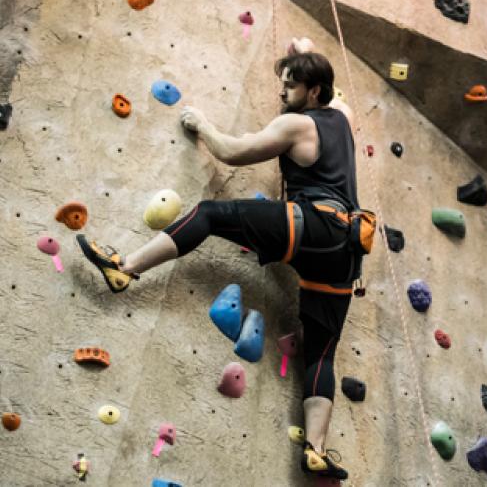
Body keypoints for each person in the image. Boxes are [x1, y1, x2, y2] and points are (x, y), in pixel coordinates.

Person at [75, 37, 358, 480]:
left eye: (291, 87)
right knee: (322, 351)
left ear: (314, 92)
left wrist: (201, 123)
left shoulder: (297, 126)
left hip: (312, 225)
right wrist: (303, 48)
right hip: (346, 252)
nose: (282, 93)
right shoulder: (342, 117)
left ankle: (124, 269)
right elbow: (333, 90)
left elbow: (230, 152)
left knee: (209, 214)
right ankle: (317, 449)